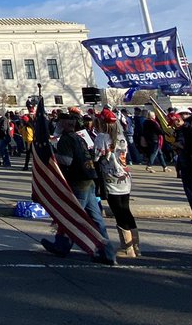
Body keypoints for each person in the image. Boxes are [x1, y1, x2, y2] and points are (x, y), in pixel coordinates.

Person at [39, 114, 118, 266]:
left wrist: (51, 155)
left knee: (71, 216)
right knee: (96, 219)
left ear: (62, 124)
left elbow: (66, 160)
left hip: (77, 181)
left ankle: (62, 245)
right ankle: (107, 252)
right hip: (89, 179)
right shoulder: (80, 137)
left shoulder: (67, 140)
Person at [93, 109, 138, 257]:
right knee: (126, 209)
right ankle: (135, 245)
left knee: (118, 211)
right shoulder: (121, 137)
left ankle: (127, 247)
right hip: (125, 176)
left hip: (111, 178)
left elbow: (96, 156)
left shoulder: (102, 137)